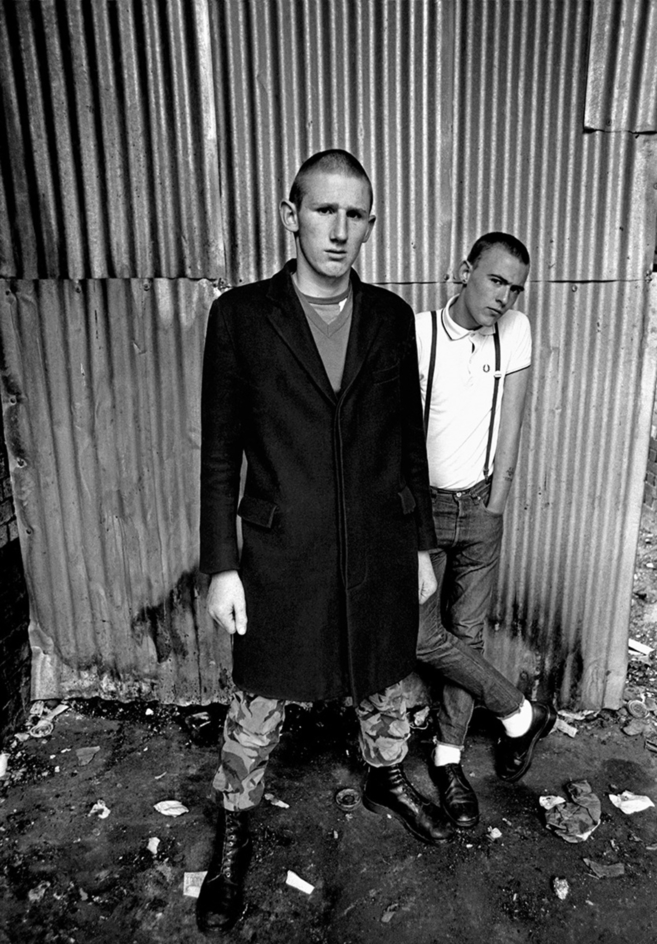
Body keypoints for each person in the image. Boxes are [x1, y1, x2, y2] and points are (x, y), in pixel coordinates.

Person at [197, 149, 454, 933]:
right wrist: (221, 566)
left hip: (376, 540)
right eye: (323, 211)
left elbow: (405, 439)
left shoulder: (385, 316)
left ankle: (385, 776)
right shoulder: (241, 316)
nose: (339, 230)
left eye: (355, 215)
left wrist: (417, 546)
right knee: (259, 699)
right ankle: (235, 827)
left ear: (369, 225)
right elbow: (218, 452)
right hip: (282, 550)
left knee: (383, 674)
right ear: (291, 216)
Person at [414, 233, 556, 829]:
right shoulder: (419, 333)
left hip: (480, 506)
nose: (504, 296)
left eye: (515, 287)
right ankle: (521, 714)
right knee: (419, 634)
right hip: (422, 510)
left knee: (467, 635)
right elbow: (395, 440)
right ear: (464, 270)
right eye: (496, 280)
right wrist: (414, 531)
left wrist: (496, 503)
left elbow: (514, 420)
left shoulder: (515, 331)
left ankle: (448, 759)